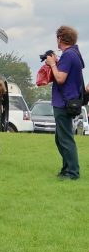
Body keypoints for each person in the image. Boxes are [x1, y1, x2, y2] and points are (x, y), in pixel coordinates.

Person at [46, 25, 82, 180]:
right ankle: (67, 169)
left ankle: (72, 172)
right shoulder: (75, 54)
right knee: (60, 138)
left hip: (64, 102)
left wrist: (53, 64)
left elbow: (60, 78)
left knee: (65, 138)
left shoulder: (68, 55)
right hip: (69, 101)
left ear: (60, 38)